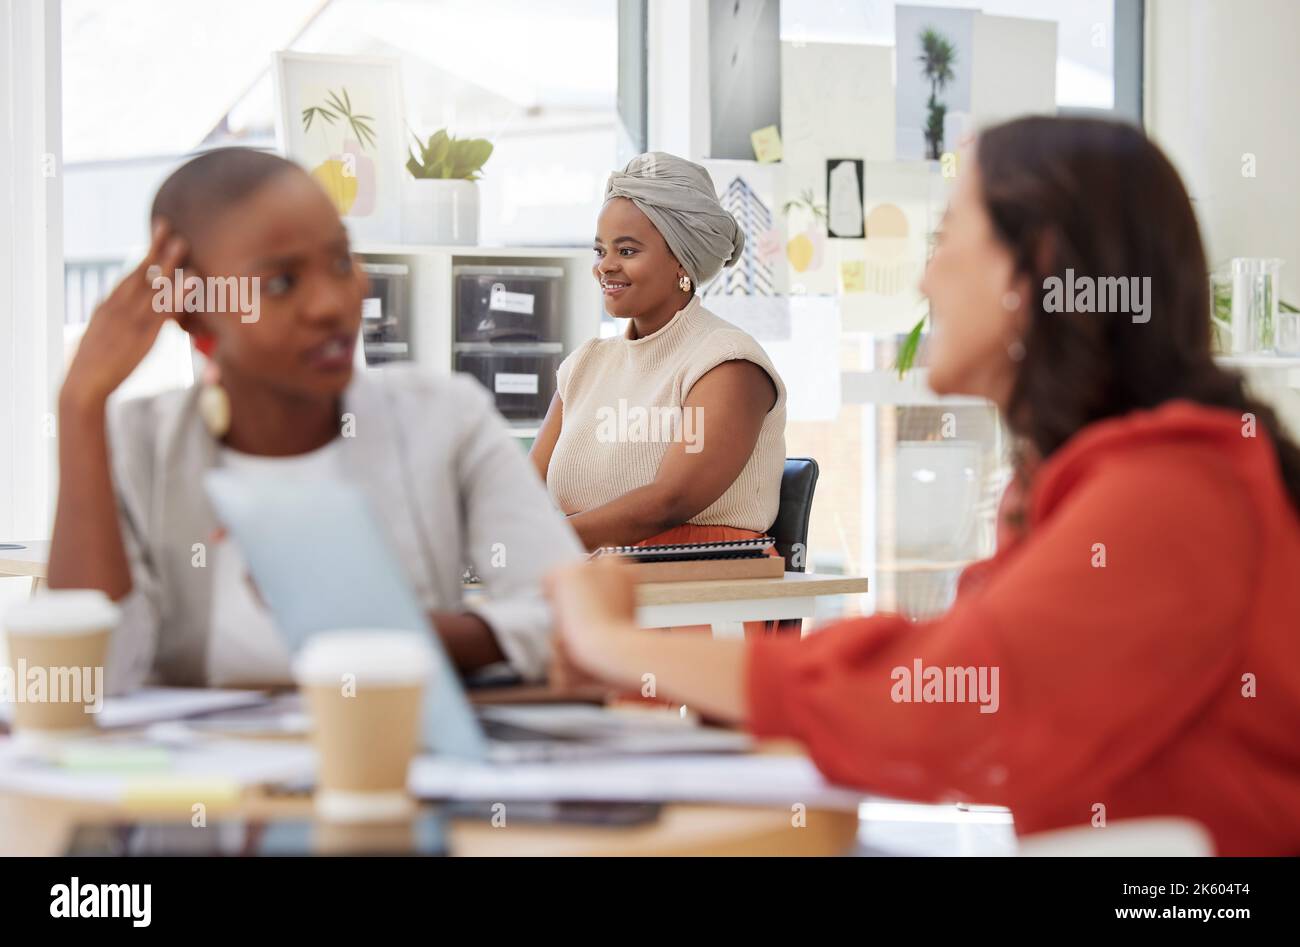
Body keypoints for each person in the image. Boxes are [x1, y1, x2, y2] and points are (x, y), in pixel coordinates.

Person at [545, 117, 1300, 856]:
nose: (924, 278)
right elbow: (958, 655)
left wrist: (615, 641)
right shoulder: (1075, 487)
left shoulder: (1171, 494)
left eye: (944, 242)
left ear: (1031, 268)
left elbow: (949, 697)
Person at [49, 148, 584, 692]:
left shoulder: (443, 417)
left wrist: (391, 637)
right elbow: (80, 679)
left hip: (391, 764)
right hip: (205, 776)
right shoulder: (139, 443)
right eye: (280, 283)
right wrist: (78, 408)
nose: (331, 304)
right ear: (191, 309)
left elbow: (575, 617)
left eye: (340, 262)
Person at [530, 153, 787, 559]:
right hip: (596, 580)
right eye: (600, 251)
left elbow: (670, 500)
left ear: (682, 260)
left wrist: (538, 543)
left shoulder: (726, 363)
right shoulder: (585, 365)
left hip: (706, 590)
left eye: (627, 251)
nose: (605, 267)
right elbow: (522, 490)